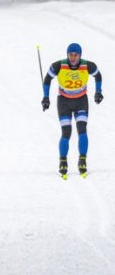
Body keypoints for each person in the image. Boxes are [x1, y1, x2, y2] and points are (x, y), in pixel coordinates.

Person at [42, 43, 103, 178]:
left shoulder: (87, 65)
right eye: (71, 54)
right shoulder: (58, 65)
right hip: (64, 102)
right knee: (66, 132)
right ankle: (63, 161)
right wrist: (46, 97)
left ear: (80, 55)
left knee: (82, 129)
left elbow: (98, 75)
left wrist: (98, 92)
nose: (73, 57)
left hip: (81, 101)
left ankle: (82, 160)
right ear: (67, 54)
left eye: (76, 55)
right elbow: (47, 79)